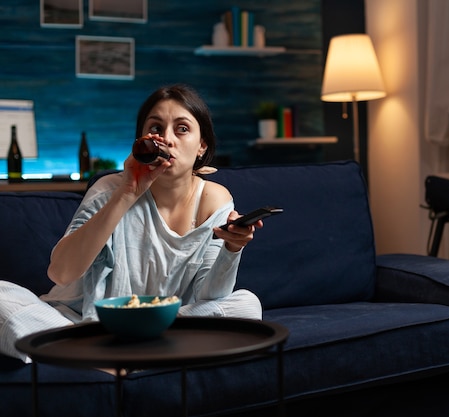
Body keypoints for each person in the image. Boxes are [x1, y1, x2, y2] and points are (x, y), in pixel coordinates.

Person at [0, 84, 263, 363]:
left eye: (182, 128)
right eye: (156, 128)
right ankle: (142, 352)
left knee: (246, 305)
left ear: (202, 145)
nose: (167, 139)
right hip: (81, 323)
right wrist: (126, 194)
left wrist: (231, 250)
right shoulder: (110, 188)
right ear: (142, 140)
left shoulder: (214, 198)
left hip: (165, 322)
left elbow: (209, 295)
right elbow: (61, 273)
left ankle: (117, 351)